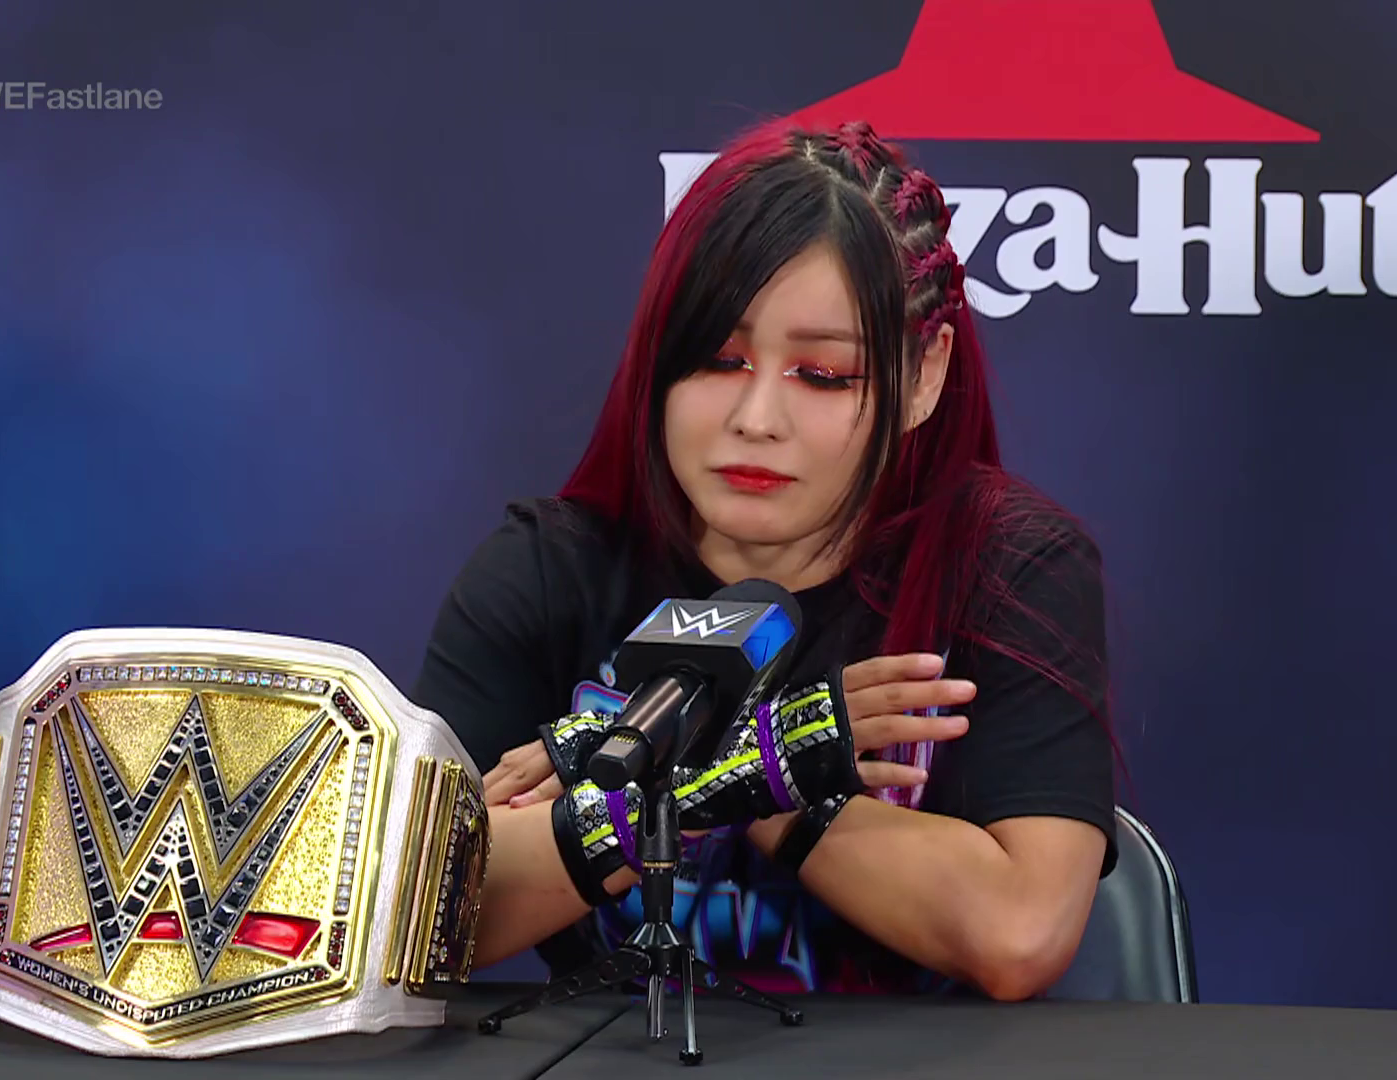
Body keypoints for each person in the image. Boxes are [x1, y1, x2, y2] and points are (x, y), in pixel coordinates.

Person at [409, 118, 1118, 1002]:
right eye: (719, 359)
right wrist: (721, 775)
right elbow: (410, 913)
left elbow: (1020, 931)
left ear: (925, 375)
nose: (755, 419)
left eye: (822, 375)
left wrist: (741, 780)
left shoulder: (1009, 568)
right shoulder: (551, 569)